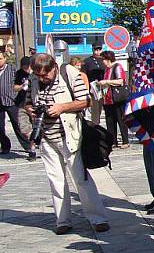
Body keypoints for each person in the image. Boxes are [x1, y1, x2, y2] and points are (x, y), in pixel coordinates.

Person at [25, 54, 109, 234]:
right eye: (38, 76)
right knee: (55, 179)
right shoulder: (33, 78)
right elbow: (27, 102)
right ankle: (62, 220)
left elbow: (86, 101)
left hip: (70, 135)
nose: (42, 79)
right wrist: (30, 110)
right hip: (46, 137)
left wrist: (61, 107)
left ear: (53, 67)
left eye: (45, 75)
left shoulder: (68, 73)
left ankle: (97, 218)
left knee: (80, 178)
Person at [96, 51, 129, 149]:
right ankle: (113, 141)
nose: (102, 62)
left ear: (108, 59)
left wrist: (107, 81)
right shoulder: (107, 69)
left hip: (117, 98)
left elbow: (120, 81)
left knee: (121, 119)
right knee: (110, 120)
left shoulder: (117, 67)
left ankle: (125, 141)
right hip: (108, 98)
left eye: (103, 60)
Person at [0, 54, 32, 155]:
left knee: (18, 125)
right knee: (0, 127)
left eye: (0, 58)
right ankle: (5, 146)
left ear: (5, 59)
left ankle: (29, 146)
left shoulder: (12, 69)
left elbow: (18, 82)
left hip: (11, 101)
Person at [81, 44, 105, 125]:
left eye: (99, 49)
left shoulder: (104, 60)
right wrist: (86, 89)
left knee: (102, 107)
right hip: (93, 88)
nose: (98, 51)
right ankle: (95, 125)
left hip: (104, 87)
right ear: (92, 50)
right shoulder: (87, 61)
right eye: (96, 49)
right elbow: (83, 75)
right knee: (95, 109)